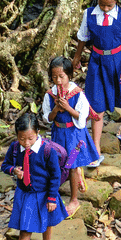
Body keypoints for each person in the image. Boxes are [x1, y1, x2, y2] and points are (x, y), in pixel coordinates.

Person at [72, 0, 121, 144]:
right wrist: (77, 56)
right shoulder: (89, 14)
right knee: (96, 99)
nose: (105, 8)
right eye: (102, 4)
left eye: (109, 5)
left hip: (118, 60)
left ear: (116, 1)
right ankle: (96, 146)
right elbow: (83, 37)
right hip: (97, 61)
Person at [0, 111, 66, 240]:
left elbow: (55, 175)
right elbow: (5, 165)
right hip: (26, 194)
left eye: (30, 138)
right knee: (24, 230)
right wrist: (13, 170)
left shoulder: (47, 150)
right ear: (17, 136)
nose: (26, 143)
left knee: (48, 222)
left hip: (44, 193)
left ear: (37, 133)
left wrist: (52, 197)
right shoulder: (15, 148)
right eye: (22, 138)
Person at [43, 56, 100, 214]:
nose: (58, 80)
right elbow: (47, 118)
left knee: (72, 165)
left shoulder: (77, 94)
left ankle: (74, 200)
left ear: (69, 75)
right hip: (58, 133)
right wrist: (55, 110)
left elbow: (82, 118)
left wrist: (68, 108)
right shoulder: (50, 95)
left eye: (62, 76)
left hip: (75, 135)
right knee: (59, 162)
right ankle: (74, 180)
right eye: (54, 77)